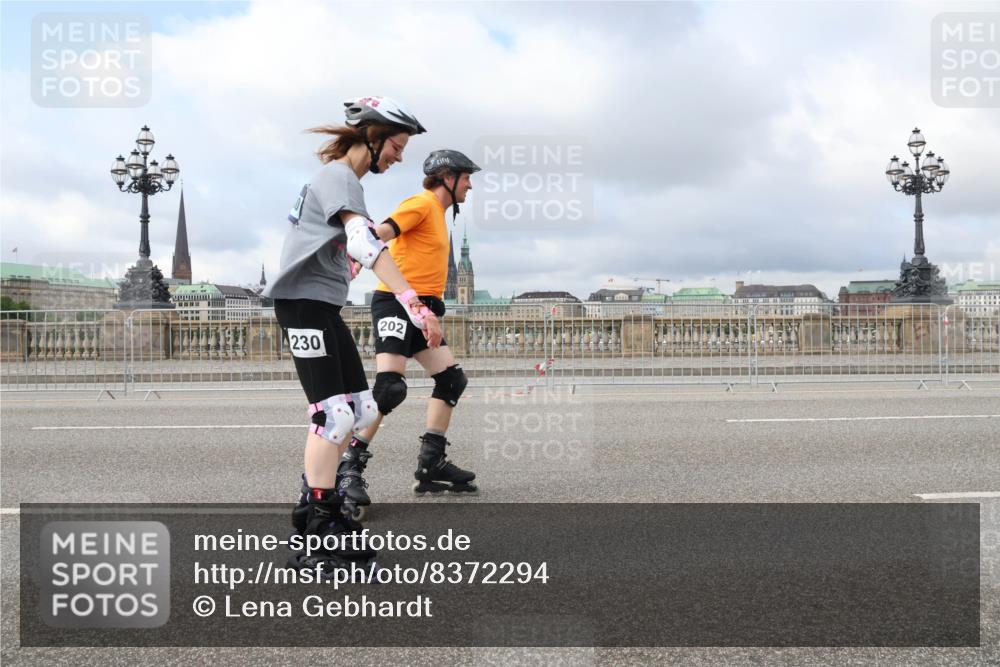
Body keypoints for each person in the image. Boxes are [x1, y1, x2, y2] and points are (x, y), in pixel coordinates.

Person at [263, 96, 442, 573]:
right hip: (301, 302)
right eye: (397, 146)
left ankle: (312, 506)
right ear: (372, 135)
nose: (399, 156)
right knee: (333, 415)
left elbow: (350, 247)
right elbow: (365, 240)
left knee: (361, 408)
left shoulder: (344, 181)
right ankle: (319, 528)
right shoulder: (340, 176)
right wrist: (414, 304)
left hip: (321, 304)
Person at [337, 150, 481, 519]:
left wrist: (428, 308)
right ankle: (348, 466)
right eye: (466, 177)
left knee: (451, 380)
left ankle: (430, 465)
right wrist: (353, 259)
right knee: (389, 389)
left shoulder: (439, 213)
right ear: (447, 176)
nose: (470, 184)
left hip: (423, 309)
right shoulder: (422, 203)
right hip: (396, 303)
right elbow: (379, 233)